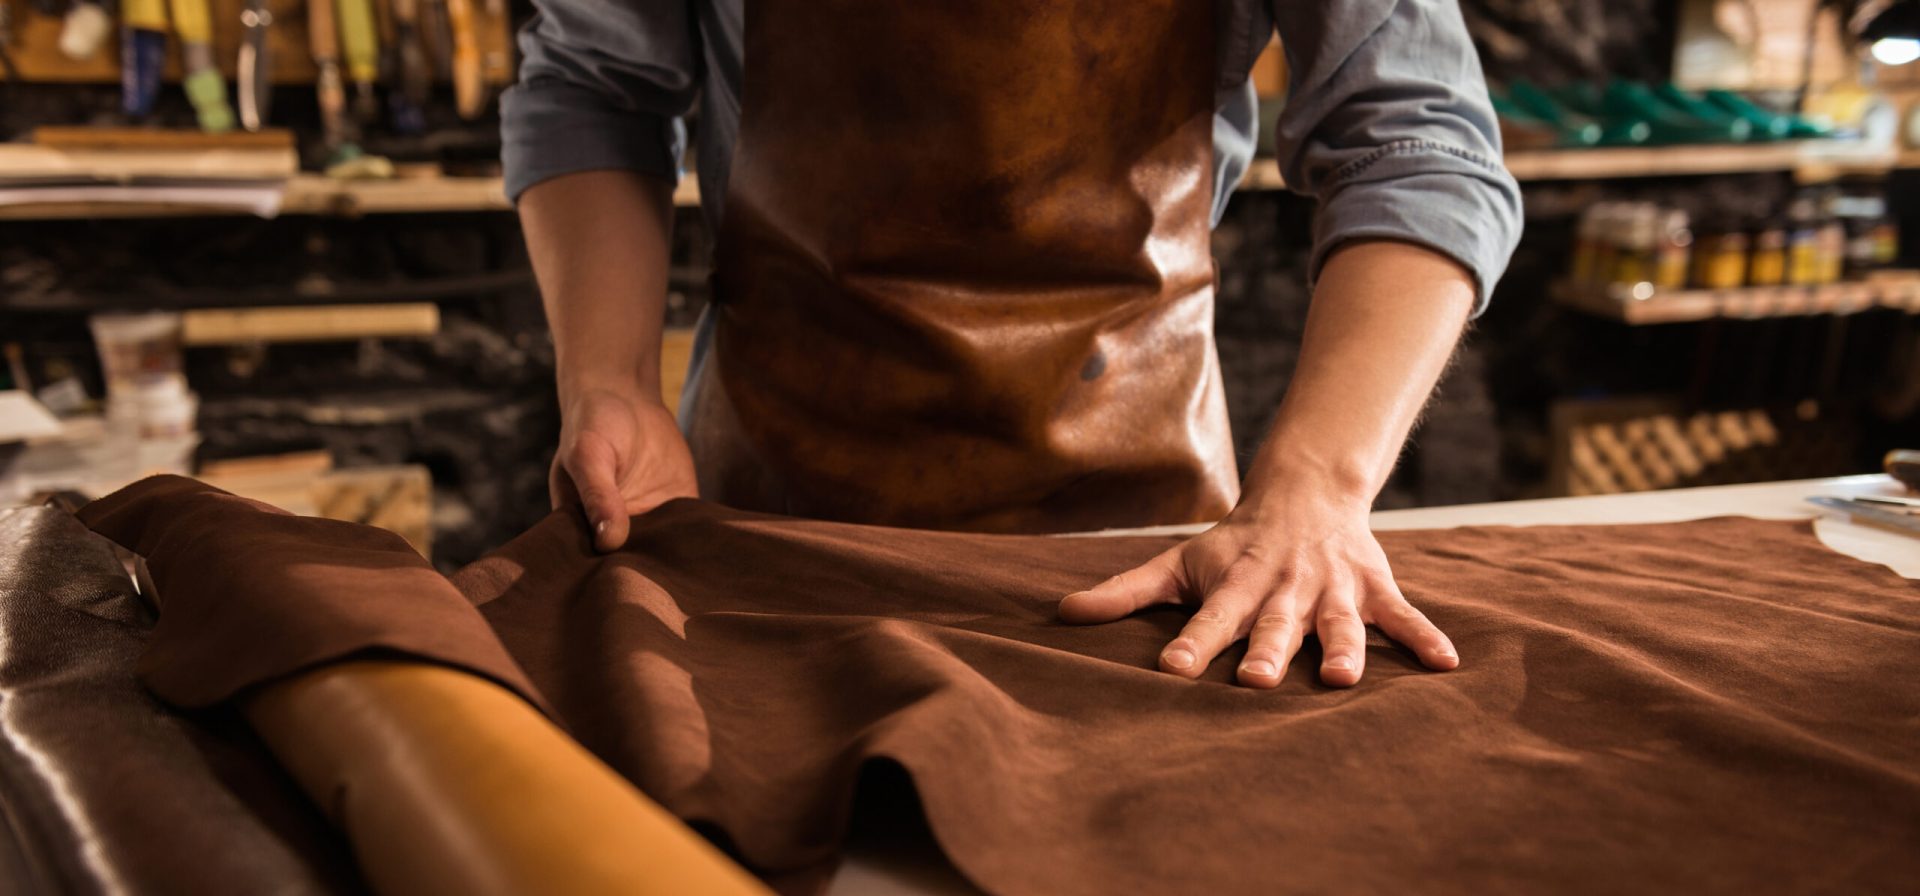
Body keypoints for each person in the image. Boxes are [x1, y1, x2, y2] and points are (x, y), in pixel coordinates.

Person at [503, 1, 1523, 690]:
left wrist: (1318, 485)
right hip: (768, 511)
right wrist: (613, 381)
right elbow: (597, 90)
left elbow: (1420, 143)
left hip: (1145, 557)